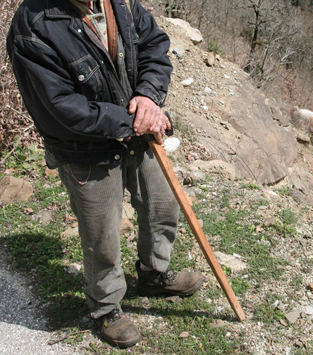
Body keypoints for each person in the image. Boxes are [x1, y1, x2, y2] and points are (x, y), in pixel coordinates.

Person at [7, 0, 204, 348]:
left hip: (139, 131)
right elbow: (61, 109)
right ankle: (106, 307)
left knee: (162, 205)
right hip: (85, 149)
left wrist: (148, 96)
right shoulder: (33, 26)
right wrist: (133, 120)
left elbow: (154, 46)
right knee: (102, 233)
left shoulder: (122, 3)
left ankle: (154, 274)